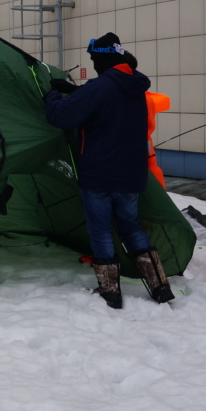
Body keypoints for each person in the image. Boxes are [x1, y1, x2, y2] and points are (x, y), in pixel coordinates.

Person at [44, 32, 174, 308]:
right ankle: (160, 286)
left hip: (99, 174)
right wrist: (77, 92)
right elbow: (109, 104)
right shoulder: (135, 87)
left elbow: (62, 116)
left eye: (93, 58)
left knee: (101, 232)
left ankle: (110, 292)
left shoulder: (101, 86)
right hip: (131, 173)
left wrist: (53, 96)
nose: (92, 64)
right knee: (132, 229)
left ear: (103, 59)